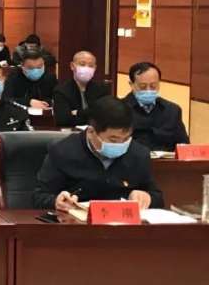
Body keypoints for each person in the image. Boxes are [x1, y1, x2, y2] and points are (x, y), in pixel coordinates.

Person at [34, 96, 164, 211]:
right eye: (113, 140)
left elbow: (158, 197)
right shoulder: (62, 151)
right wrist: (56, 201)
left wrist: (148, 197)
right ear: (91, 132)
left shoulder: (138, 154)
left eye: (126, 139)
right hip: (76, 224)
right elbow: (39, 197)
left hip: (121, 224)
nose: (121, 144)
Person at [123, 62, 189, 151]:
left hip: (165, 159)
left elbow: (184, 146)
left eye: (153, 86)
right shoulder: (120, 110)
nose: (148, 90)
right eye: (143, 87)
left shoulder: (172, 110)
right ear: (131, 84)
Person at [52, 51, 110, 127]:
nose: (86, 68)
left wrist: (78, 113)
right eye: (82, 64)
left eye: (91, 65)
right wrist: (90, 114)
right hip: (72, 132)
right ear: (72, 66)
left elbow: (106, 115)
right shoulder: (61, 91)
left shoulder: (101, 89)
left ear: (95, 68)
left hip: (97, 131)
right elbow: (63, 120)